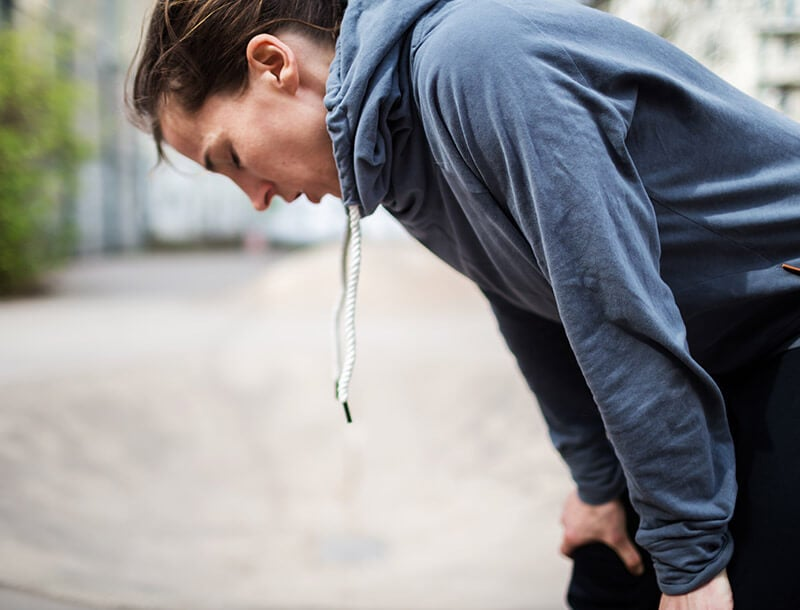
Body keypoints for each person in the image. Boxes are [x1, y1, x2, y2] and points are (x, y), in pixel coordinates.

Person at [127, 1, 800, 608]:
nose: (254, 198)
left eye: (232, 156)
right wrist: (597, 484)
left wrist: (687, 560)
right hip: (713, 349)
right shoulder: (387, 142)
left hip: (781, 320)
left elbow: (611, 305)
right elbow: (529, 301)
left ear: (274, 64)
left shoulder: (477, 59)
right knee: (606, 577)